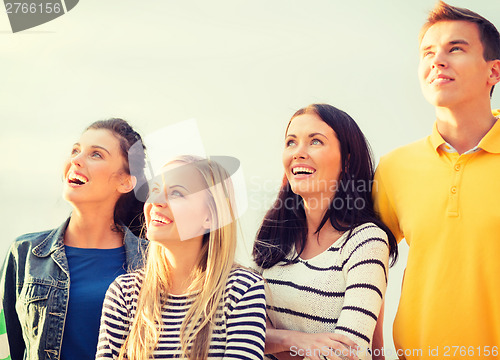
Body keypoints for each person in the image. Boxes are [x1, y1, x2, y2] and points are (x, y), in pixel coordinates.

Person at [373, 2, 500, 359]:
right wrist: (374, 348)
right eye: (428, 52)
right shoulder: (394, 168)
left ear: (494, 71)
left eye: (455, 49)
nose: (437, 60)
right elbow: (366, 265)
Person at [253, 104, 398, 360]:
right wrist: (294, 340)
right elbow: (238, 332)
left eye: (315, 142)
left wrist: (271, 341)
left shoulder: (366, 241)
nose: (298, 153)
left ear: (347, 161)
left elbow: (346, 352)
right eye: (291, 142)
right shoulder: (276, 236)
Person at [0, 119, 148, 360]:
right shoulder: (24, 253)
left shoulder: (153, 261)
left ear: (125, 181)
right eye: (76, 150)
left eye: (96, 154)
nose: (76, 160)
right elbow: (4, 350)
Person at [96, 155, 267, 359]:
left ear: (210, 217)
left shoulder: (242, 289)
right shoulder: (125, 294)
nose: (156, 202)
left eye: (176, 193)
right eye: (155, 190)